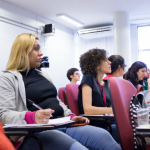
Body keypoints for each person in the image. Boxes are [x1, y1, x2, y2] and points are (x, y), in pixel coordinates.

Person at [0, 33, 121, 150]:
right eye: (36, 49)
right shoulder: (8, 78)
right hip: (37, 132)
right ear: (22, 52)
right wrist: (32, 116)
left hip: (62, 124)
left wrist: (70, 116)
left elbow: (57, 101)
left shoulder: (43, 75)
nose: (41, 53)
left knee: (107, 140)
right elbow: (4, 115)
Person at [78, 48, 119, 143]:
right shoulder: (88, 78)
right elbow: (87, 110)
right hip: (97, 127)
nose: (110, 62)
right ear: (96, 64)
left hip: (105, 124)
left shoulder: (99, 83)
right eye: (105, 60)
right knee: (132, 131)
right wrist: (115, 110)